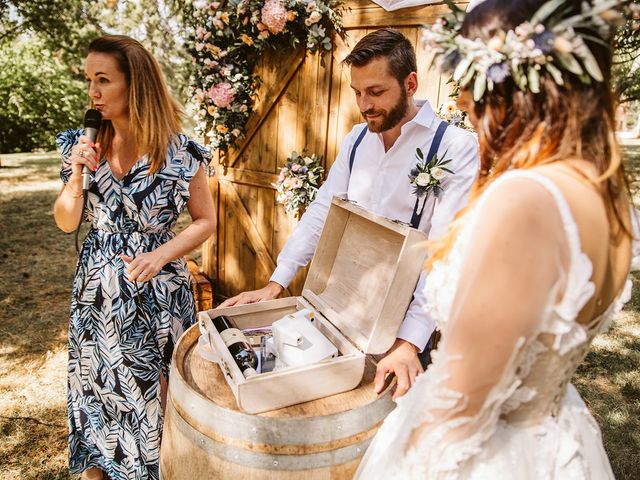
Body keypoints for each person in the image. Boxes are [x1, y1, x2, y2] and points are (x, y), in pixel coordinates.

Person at [355, 0, 635, 478]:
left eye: (473, 87)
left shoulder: (524, 202)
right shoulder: (608, 197)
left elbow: (459, 411)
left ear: (514, 87)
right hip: (555, 436)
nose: (463, 101)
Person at [220, 28, 479, 398]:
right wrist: (277, 282)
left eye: (376, 92)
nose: (364, 104)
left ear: (411, 84)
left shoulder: (455, 147)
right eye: (357, 92)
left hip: (413, 321)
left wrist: (410, 340)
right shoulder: (356, 139)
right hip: (348, 313)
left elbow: (445, 251)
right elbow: (323, 210)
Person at [53, 35, 215, 480]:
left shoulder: (182, 152)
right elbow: (67, 221)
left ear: (136, 83)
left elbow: (205, 221)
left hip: (159, 292)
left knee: (154, 393)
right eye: (89, 80)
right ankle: (100, 468)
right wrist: (77, 175)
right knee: (98, 387)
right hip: (97, 292)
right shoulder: (79, 145)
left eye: (103, 80)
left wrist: (161, 254)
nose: (93, 92)